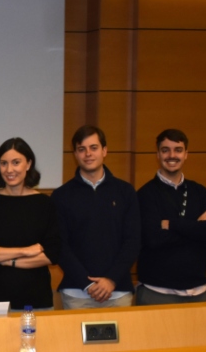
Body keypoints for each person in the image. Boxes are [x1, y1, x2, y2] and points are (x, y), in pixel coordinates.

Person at [52, 126, 140, 309]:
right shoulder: (61, 196)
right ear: (75, 154)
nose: (88, 154)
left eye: (93, 148)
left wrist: (111, 280)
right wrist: (88, 284)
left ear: (104, 151)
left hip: (118, 291)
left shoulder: (125, 192)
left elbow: (133, 241)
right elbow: (60, 245)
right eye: (81, 149)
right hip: (76, 293)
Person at [0, 138, 61, 310]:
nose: (9, 169)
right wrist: (25, 251)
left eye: (16, 162)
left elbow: (51, 254)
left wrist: (5, 260)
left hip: (36, 301)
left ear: (28, 164)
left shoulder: (44, 203)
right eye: (3, 163)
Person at [136, 129, 206, 305]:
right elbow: (153, 238)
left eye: (178, 150)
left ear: (186, 154)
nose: (172, 155)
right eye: (165, 150)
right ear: (158, 154)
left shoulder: (199, 191)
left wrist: (172, 225)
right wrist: (197, 227)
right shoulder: (145, 194)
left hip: (200, 292)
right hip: (157, 293)